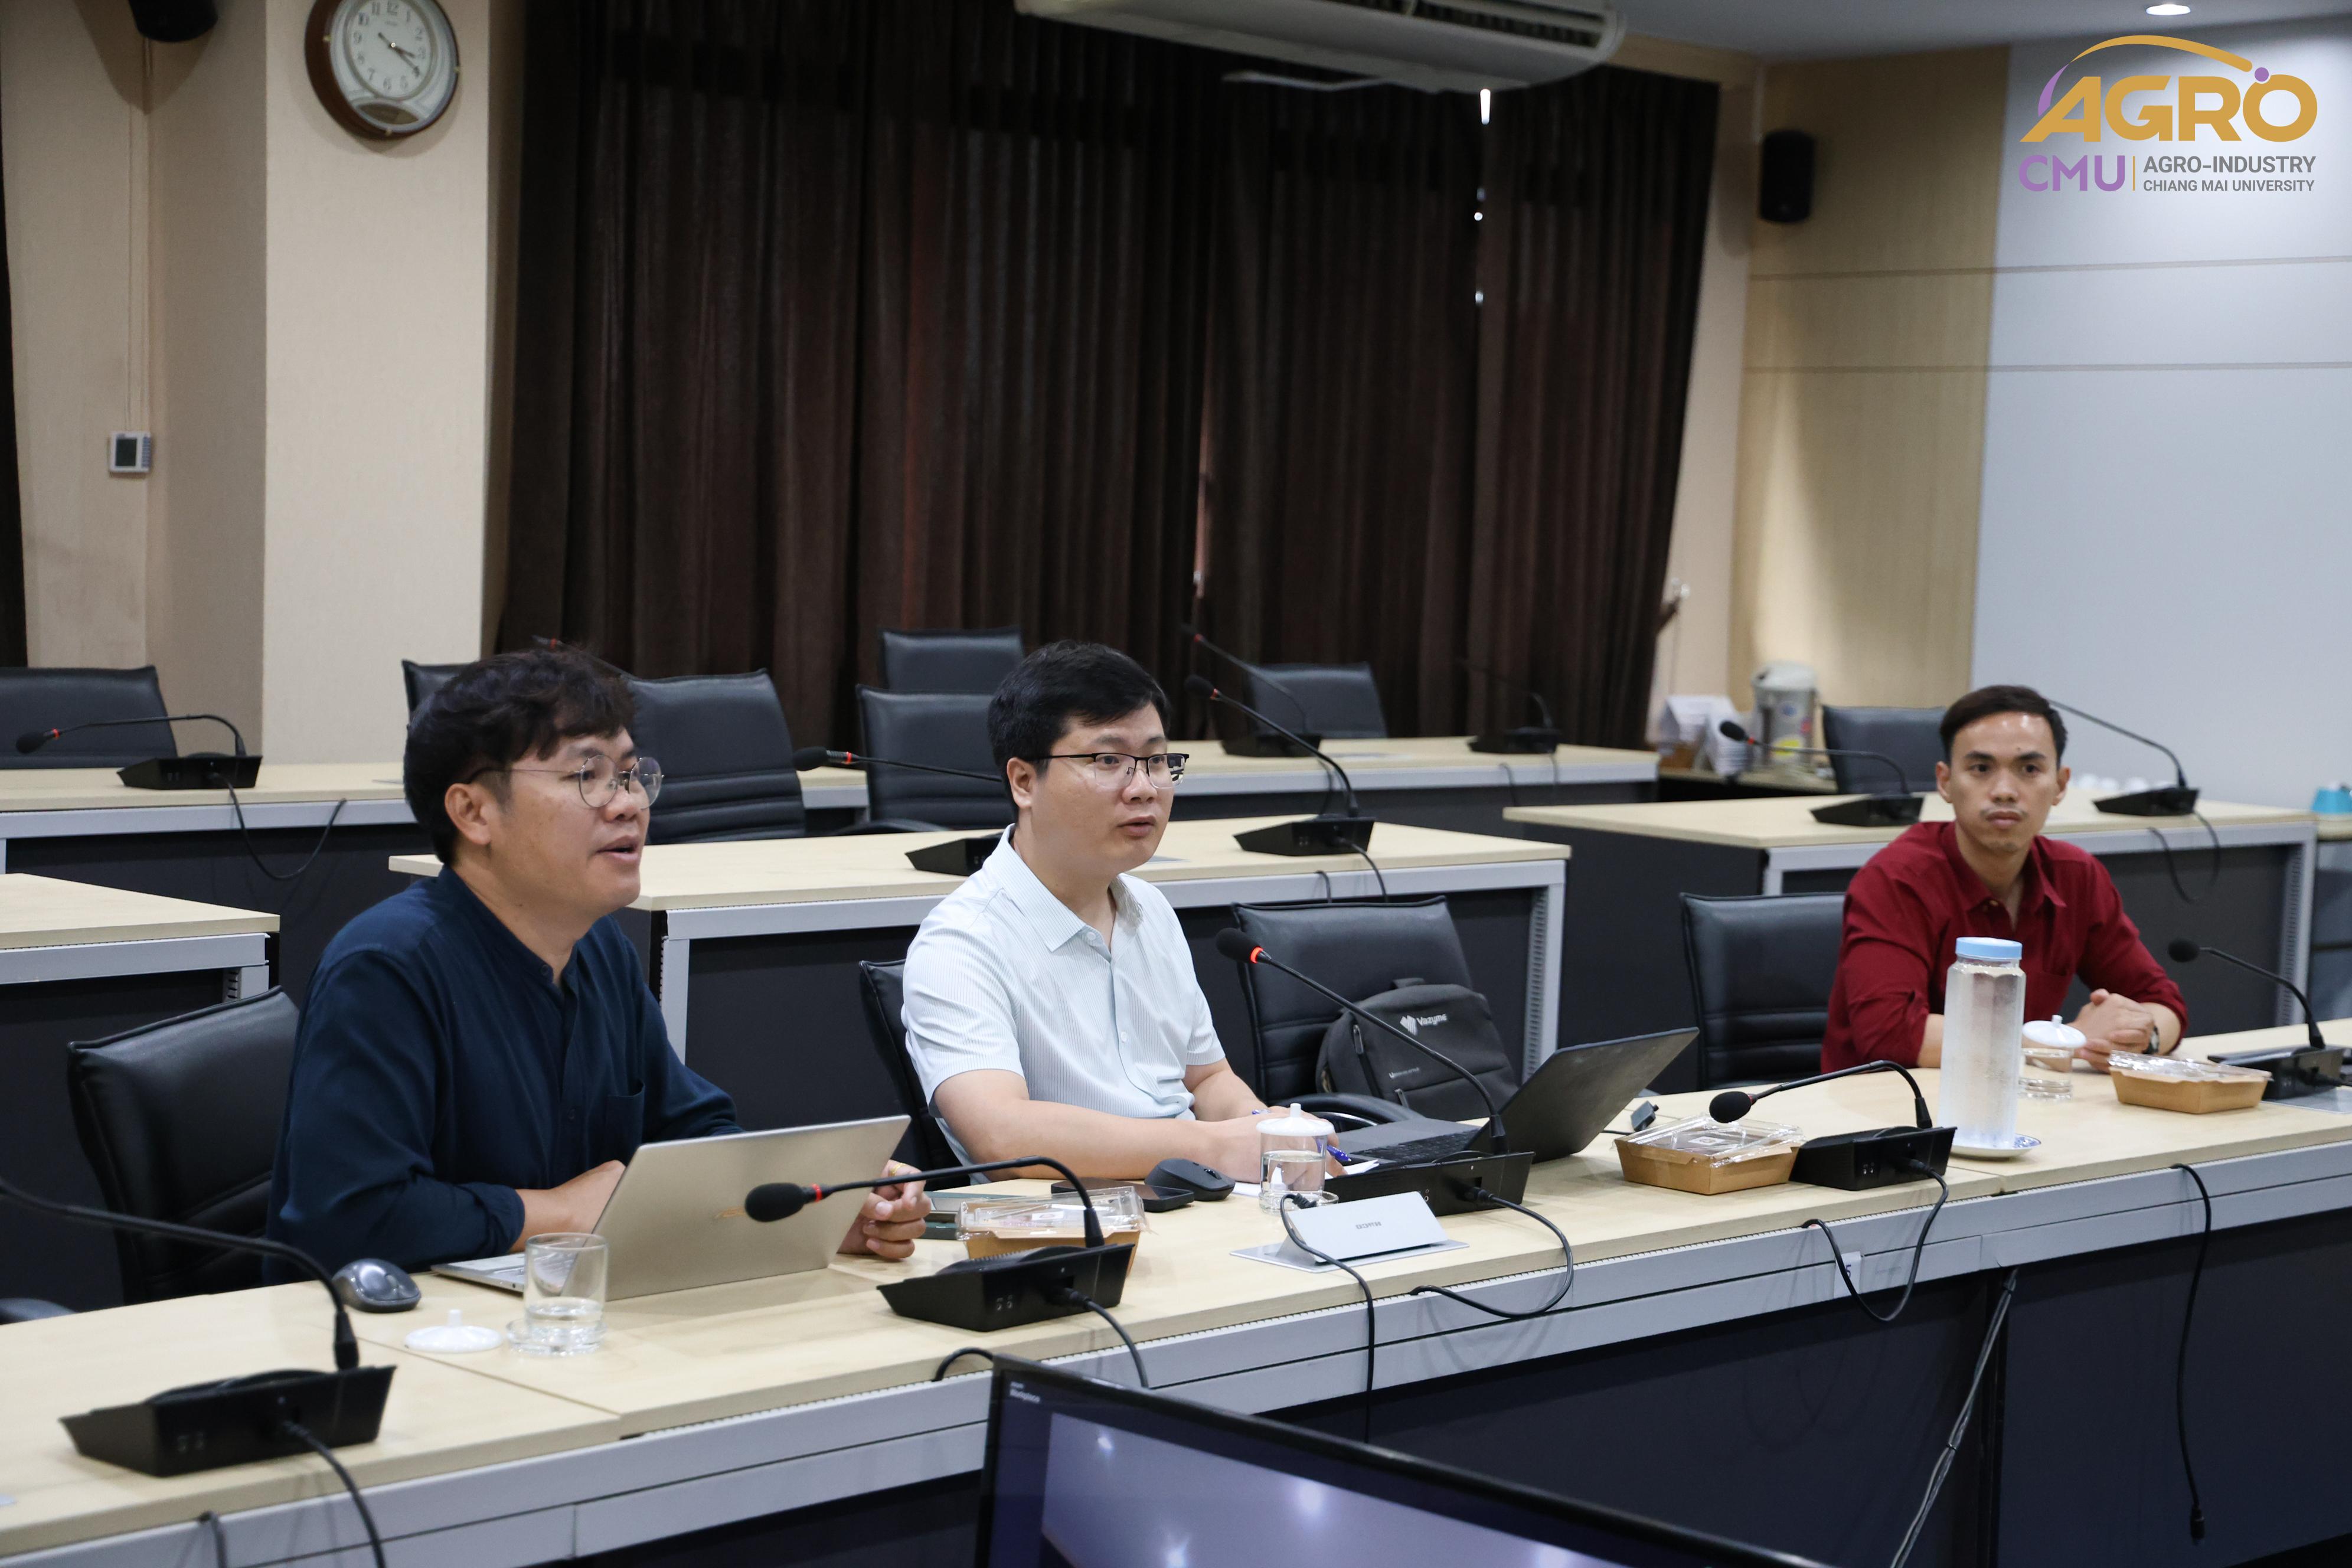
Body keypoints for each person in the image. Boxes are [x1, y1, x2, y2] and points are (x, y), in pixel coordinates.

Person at [267, 647, 927, 1275]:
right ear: (473, 812)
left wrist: (813, 1203)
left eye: (631, 774)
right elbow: (350, 1217)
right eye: (587, 777)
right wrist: (557, 1212)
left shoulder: (598, 947)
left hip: (560, 1312)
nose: (629, 804)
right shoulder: (386, 969)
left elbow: (689, 1130)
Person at [901, 641, 1272, 1179]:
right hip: (1073, 1217)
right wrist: (1211, 1146)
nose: (1144, 789)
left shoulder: (1151, 907)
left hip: (1197, 1197)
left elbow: (1208, 1080)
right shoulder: (962, 943)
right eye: (1108, 761)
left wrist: (1269, 1133)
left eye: (1156, 761)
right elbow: (1002, 1137)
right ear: (1024, 782)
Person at [1822, 684, 2186, 1073]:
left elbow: (2163, 1003)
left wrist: (2141, 1038)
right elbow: (1891, 1034)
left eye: (2029, 770)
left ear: (2060, 785)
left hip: (2019, 1098)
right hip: (1888, 1102)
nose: (2004, 792)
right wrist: (2057, 1043)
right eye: (1981, 769)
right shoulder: (1897, 879)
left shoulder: (2076, 875)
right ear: (1945, 782)